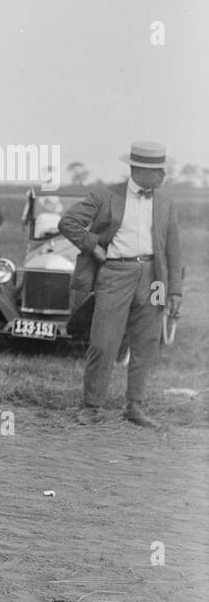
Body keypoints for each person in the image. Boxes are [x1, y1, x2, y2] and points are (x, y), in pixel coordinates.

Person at [59, 140, 183, 429]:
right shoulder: (106, 195)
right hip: (115, 274)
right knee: (104, 342)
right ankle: (91, 407)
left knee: (147, 341)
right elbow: (68, 222)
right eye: (159, 171)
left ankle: (134, 407)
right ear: (139, 170)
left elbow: (174, 251)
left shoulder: (166, 203)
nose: (164, 176)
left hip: (154, 280)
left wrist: (175, 290)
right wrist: (94, 247)